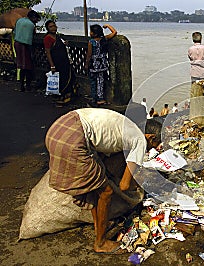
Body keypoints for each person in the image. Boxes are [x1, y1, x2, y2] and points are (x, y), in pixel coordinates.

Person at [45, 108, 162, 254]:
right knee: (106, 192)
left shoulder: (127, 126)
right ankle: (100, 243)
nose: (153, 149)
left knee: (96, 185)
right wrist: (139, 185)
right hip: (73, 140)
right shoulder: (140, 140)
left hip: (58, 128)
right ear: (150, 137)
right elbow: (124, 186)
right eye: (155, 145)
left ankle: (98, 225)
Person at [43, 20, 76, 104]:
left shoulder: (58, 37)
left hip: (64, 61)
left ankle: (66, 96)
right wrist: (52, 65)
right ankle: (60, 97)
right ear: (47, 28)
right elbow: (48, 52)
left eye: (54, 26)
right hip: (56, 62)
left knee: (67, 78)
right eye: (51, 27)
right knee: (59, 80)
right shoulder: (47, 38)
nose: (53, 28)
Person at [85, 24, 117, 106]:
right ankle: (100, 98)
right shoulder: (104, 39)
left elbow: (89, 54)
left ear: (94, 34)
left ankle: (94, 98)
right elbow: (114, 32)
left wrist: (86, 64)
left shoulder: (91, 42)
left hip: (94, 64)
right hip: (102, 64)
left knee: (93, 81)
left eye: (91, 31)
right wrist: (108, 26)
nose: (90, 33)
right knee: (100, 81)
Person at [13, 10, 41, 92]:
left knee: (22, 66)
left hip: (17, 43)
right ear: (33, 17)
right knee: (28, 67)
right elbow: (28, 39)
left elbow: (15, 32)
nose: (36, 21)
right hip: (24, 46)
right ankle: (27, 86)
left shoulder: (20, 20)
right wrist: (31, 52)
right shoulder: (30, 24)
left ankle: (21, 85)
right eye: (36, 19)